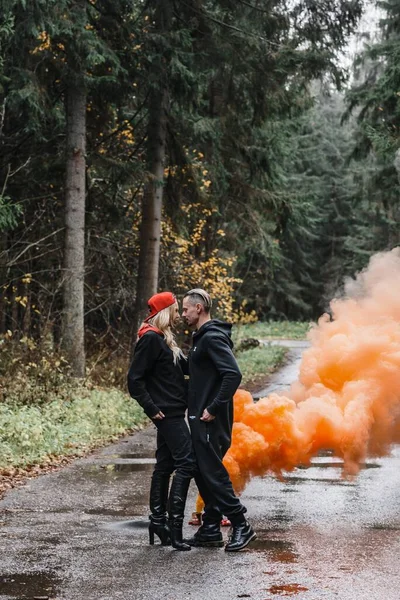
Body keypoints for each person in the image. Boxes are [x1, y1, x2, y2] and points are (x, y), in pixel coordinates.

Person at [182, 288, 256, 552]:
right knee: (204, 471)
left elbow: (233, 374)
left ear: (198, 308)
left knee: (212, 473)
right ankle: (211, 528)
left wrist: (213, 407)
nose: (183, 314)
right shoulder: (201, 338)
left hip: (209, 419)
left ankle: (241, 524)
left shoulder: (212, 338)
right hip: (201, 416)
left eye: (185, 309)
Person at [127, 291, 196, 551]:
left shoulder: (163, 340)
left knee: (165, 465)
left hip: (173, 410)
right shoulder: (151, 340)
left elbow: (177, 370)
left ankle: (158, 522)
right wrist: (151, 408)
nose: (179, 315)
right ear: (166, 311)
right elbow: (134, 380)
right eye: (176, 310)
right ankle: (175, 530)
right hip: (167, 413)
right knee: (187, 463)